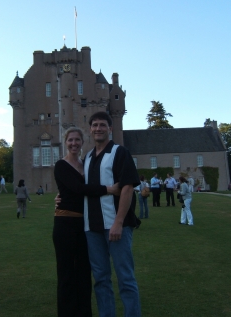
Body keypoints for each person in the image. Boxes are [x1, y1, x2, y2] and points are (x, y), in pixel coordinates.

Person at [53, 127, 120, 317]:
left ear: (83, 142)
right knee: (66, 273)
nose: (74, 143)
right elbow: (77, 188)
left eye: (77, 140)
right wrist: (108, 189)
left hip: (85, 226)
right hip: (65, 224)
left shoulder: (87, 164)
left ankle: (84, 312)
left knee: (83, 272)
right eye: (70, 140)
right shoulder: (61, 165)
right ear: (65, 143)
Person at [83, 111, 141, 317]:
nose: (98, 128)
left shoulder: (119, 152)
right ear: (90, 129)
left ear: (110, 128)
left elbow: (127, 188)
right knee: (101, 279)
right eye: (94, 125)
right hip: (92, 228)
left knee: (125, 278)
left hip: (116, 227)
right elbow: (83, 190)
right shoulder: (88, 157)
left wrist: (118, 222)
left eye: (102, 125)